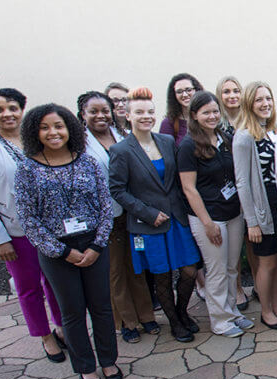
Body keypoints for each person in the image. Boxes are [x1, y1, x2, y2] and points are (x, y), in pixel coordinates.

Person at [14, 103, 120, 379]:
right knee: (71, 311)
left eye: (59, 126)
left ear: (70, 128)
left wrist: (97, 245)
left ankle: (109, 360)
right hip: (56, 251)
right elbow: (28, 219)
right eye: (45, 127)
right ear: (34, 132)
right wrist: (62, 251)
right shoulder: (27, 168)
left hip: (94, 245)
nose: (53, 132)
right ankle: (85, 366)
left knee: (101, 307)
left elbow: (104, 206)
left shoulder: (87, 162)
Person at [0, 88, 66, 363]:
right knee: (28, 285)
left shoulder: (39, 139)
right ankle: (45, 336)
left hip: (53, 229)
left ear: (22, 109)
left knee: (56, 282)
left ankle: (61, 326)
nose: (7, 114)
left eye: (12, 108)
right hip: (16, 231)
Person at [109, 87, 202, 343]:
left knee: (190, 270)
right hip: (149, 225)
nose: (146, 116)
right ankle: (174, 322)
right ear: (128, 115)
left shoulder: (167, 141)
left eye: (150, 111)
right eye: (139, 112)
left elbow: (178, 181)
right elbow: (117, 190)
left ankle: (182, 312)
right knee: (161, 275)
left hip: (177, 220)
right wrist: (148, 213)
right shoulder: (121, 151)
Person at [78, 91, 157, 343]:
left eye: (105, 110)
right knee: (114, 272)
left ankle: (146, 316)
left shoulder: (123, 135)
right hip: (104, 217)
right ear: (83, 115)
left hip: (132, 213)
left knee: (136, 266)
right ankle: (126, 322)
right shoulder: (79, 144)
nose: (100, 115)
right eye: (94, 111)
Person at [177, 91, 255, 337]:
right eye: (206, 112)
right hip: (209, 217)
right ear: (194, 115)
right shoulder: (188, 146)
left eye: (215, 111)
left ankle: (232, 312)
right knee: (217, 269)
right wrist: (207, 223)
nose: (212, 116)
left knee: (232, 267)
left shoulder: (225, 137)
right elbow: (189, 189)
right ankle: (219, 319)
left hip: (232, 213)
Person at [232, 81, 277, 329]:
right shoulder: (243, 136)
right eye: (259, 100)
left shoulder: (276, 130)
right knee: (266, 261)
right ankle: (266, 311)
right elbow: (242, 182)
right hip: (263, 206)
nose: (265, 104)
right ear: (249, 104)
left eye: (268, 98)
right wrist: (252, 221)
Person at [216, 75, 251, 311]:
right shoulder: (214, 123)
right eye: (226, 91)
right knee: (234, 248)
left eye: (236, 91)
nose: (232, 96)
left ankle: (260, 286)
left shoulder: (248, 121)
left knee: (254, 243)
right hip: (226, 194)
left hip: (250, 191)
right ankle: (237, 288)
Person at [159, 73, 204, 145]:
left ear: (196, 90)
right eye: (179, 91)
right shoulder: (168, 123)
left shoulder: (208, 118)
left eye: (188, 90)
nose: (185, 95)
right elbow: (165, 152)